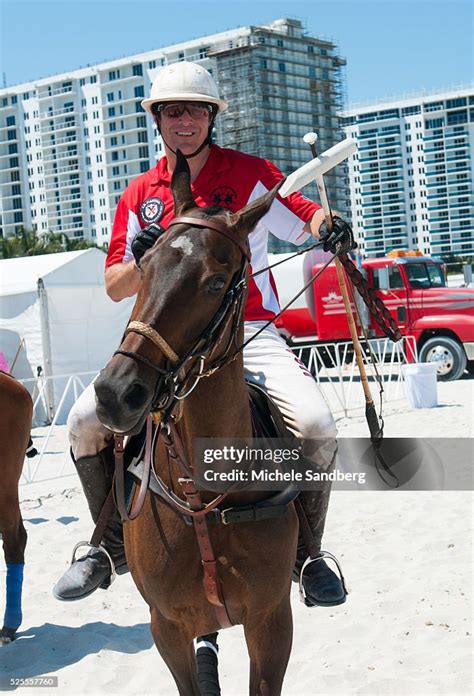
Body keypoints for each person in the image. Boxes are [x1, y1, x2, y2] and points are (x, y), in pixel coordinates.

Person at [53, 61, 355, 607]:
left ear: (212, 116)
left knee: (316, 425)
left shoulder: (250, 171)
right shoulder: (139, 193)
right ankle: (108, 546)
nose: (183, 119)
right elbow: (116, 285)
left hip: (247, 331)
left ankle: (309, 554)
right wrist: (142, 257)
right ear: (159, 121)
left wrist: (326, 226)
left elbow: (302, 216)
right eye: (172, 110)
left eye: (194, 109)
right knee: (81, 425)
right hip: (163, 341)